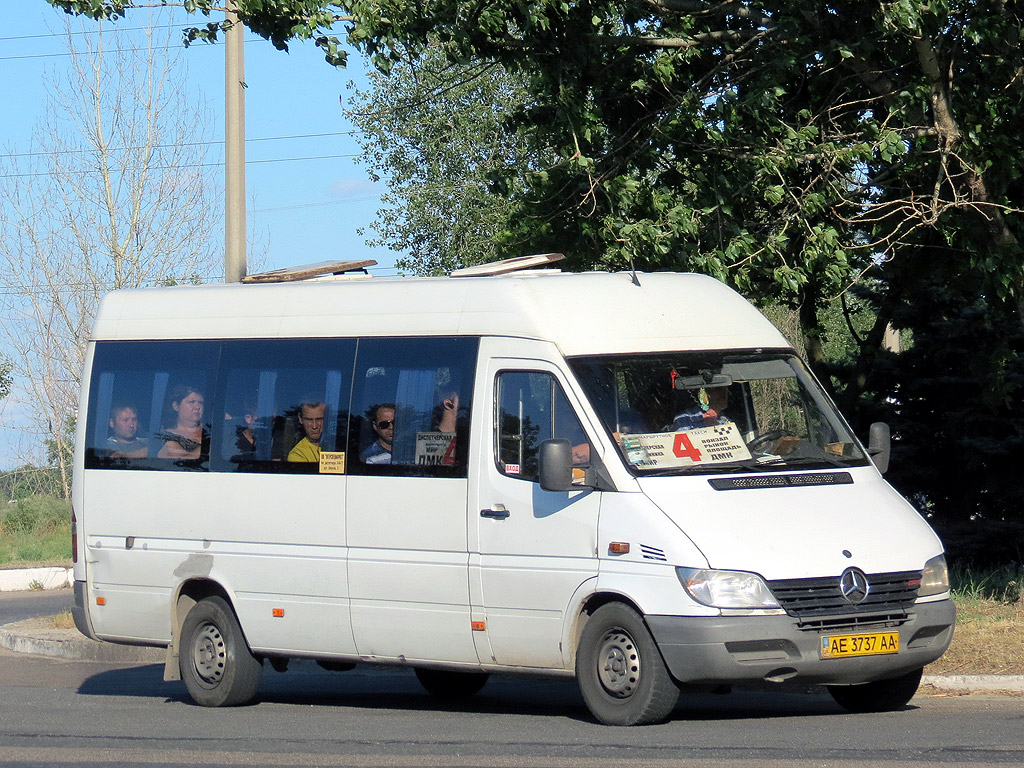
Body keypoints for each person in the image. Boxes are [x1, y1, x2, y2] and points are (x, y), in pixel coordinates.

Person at [156, 385, 207, 459]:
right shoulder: (165, 437)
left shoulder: (211, 431)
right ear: (176, 406)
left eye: (201, 403)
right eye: (191, 402)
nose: (197, 407)